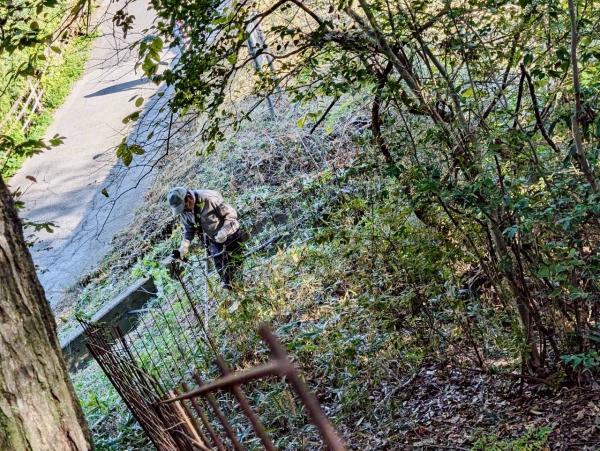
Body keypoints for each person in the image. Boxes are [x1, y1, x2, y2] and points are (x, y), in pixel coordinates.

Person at [168, 187, 245, 289]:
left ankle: (242, 287)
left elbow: (231, 215)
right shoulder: (184, 212)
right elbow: (189, 229)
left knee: (236, 266)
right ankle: (233, 290)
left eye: (185, 207)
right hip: (214, 240)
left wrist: (224, 231)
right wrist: (184, 247)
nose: (185, 211)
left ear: (189, 197)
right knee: (223, 273)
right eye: (182, 210)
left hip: (231, 234)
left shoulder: (209, 198)